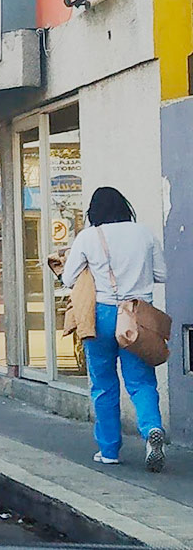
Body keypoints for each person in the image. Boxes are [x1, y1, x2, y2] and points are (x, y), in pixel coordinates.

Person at [59, 187, 167, 472]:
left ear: (94, 211)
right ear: (124, 207)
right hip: (137, 315)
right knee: (141, 381)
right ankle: (152, 429)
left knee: (104, 383)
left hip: (102, 314)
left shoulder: (89, 237)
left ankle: (109, 451)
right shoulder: (144, 233)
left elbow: (68, 277)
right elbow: (162, 275)